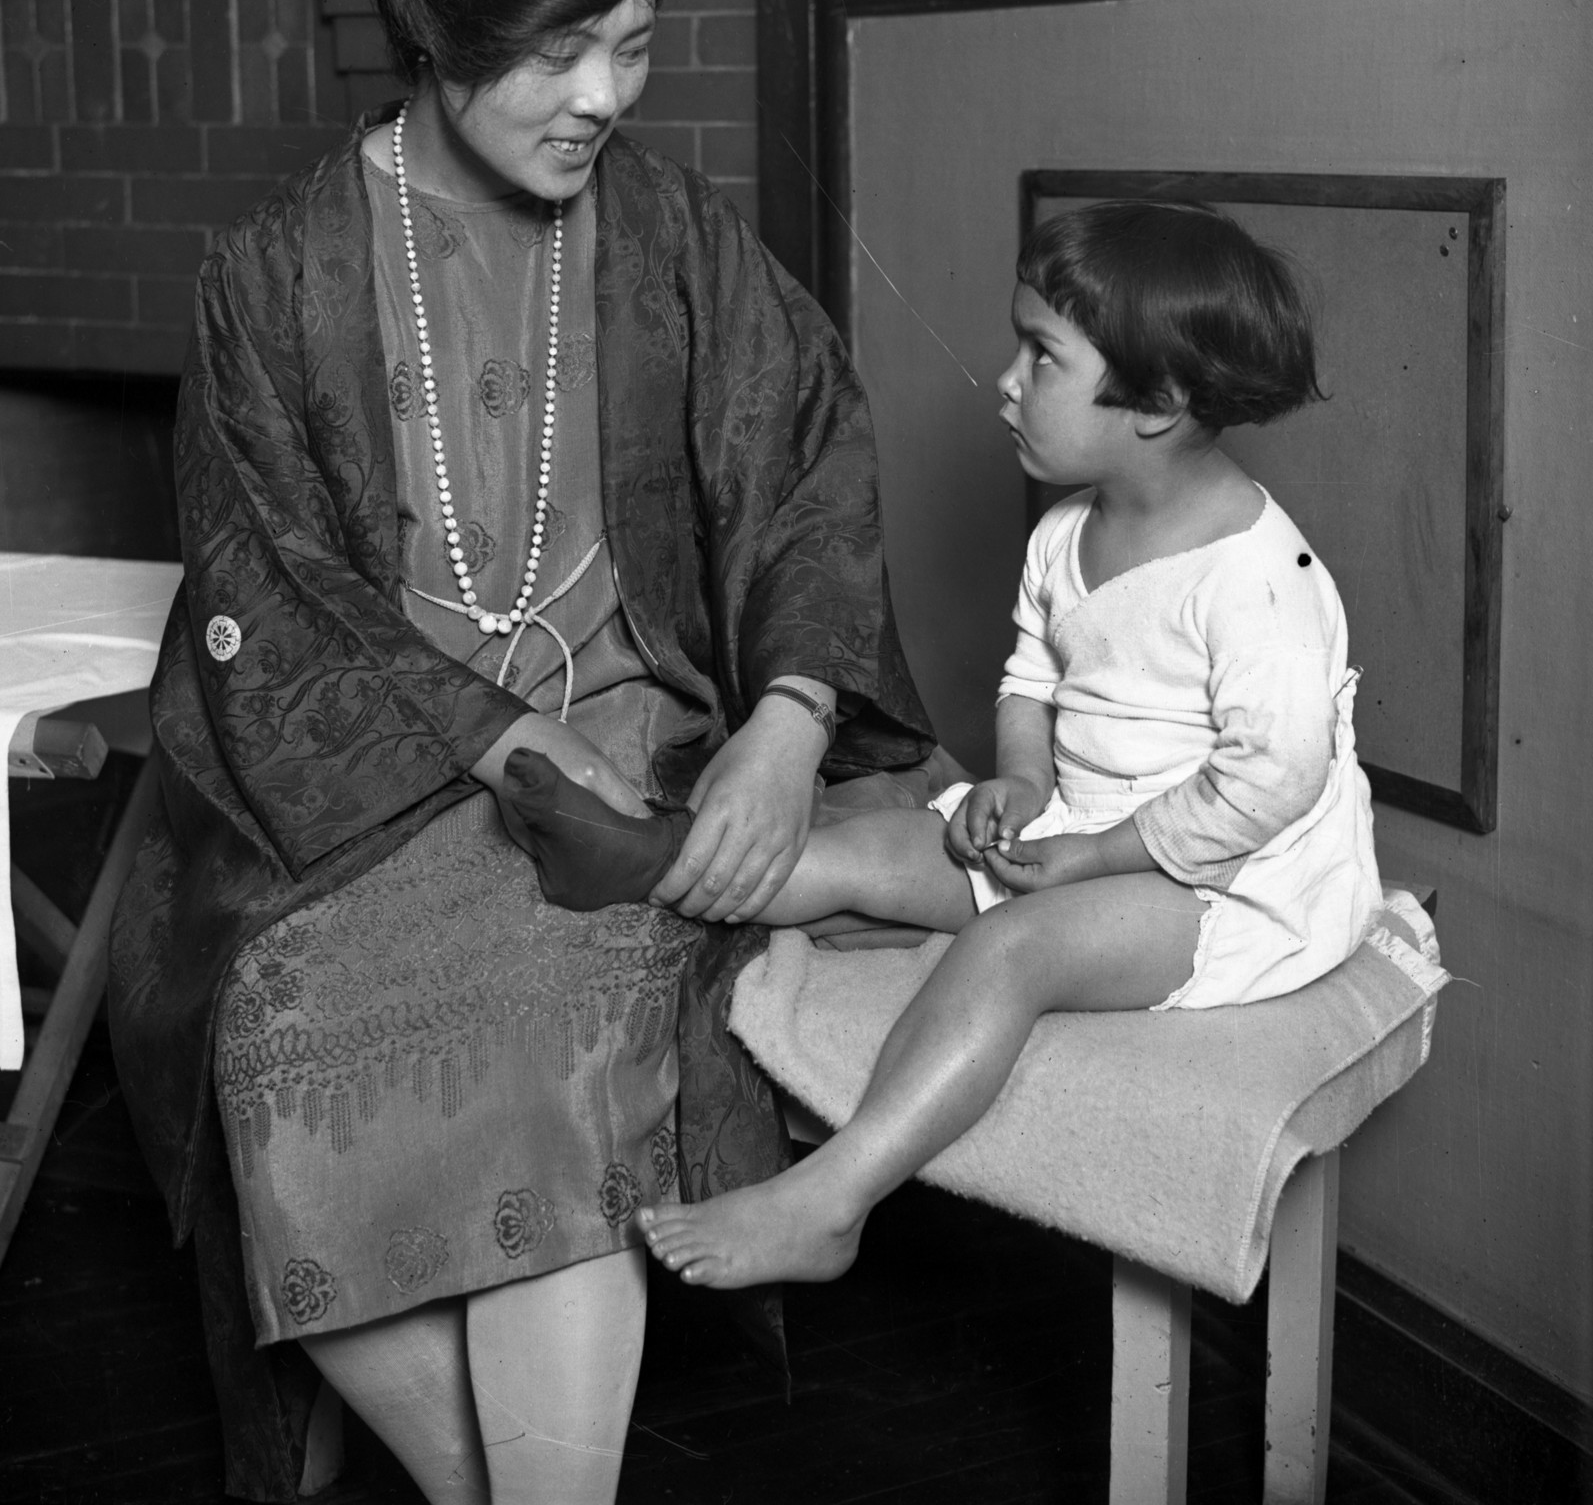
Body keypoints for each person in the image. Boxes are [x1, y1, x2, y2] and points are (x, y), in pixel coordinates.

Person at [107, 0, 938, 1505]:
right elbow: (269, 577)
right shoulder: (276, 277)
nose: (604, 101)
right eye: (555, 57)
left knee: (559, 1019)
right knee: (274, 1040)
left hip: (632, 749)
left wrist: (785, 721)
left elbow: (807, 459)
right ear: (438, 36)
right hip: (359, 778)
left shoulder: (672, 239)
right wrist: (497, 746)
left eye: (632, 47)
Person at [503, 201, 1384, 1291]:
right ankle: (647, 856)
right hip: (1082, 827)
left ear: (1154, 402)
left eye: (1041, 355)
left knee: (1008, 949)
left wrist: (1092, 859)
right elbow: (1034, 675)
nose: (1006, 378)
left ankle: (832, 1200)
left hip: (1226, 883)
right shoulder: (1068, 531)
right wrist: (1019, 779)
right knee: (872, 843)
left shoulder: (1258, 583)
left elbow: (1269, 784)